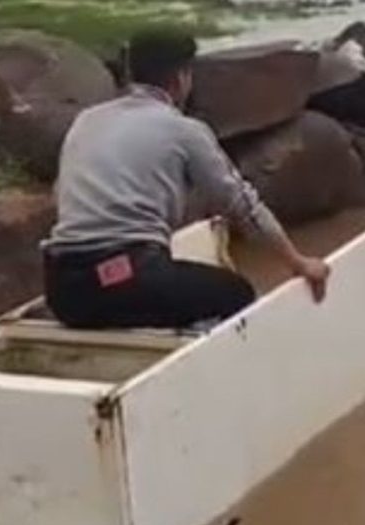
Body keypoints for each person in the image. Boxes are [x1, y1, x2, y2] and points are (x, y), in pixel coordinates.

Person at [42, 28, 330, 330]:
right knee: (236, 294)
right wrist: (298, 262)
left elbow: (61, 194)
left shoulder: (87, 120)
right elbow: (242, 205)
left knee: (160, 285)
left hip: (65, 292)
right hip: (131, 280)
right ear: (181, 79)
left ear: (130, 72)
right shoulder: (183, 130)